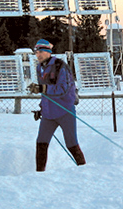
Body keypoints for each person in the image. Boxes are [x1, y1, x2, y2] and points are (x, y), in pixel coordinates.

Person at [28, 39, 86, 172]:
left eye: (41, 52)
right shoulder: (39, 68)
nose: (38, 55)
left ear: (48, 52)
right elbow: (45, 93)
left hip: (65, 111)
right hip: (49, 114)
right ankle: (39, 174)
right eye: (36, 52)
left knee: (71, 144)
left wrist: (42, 88)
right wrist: (41, 108)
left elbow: (63, 89)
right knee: (41, 143)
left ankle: (84, 171)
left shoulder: (60, 66)